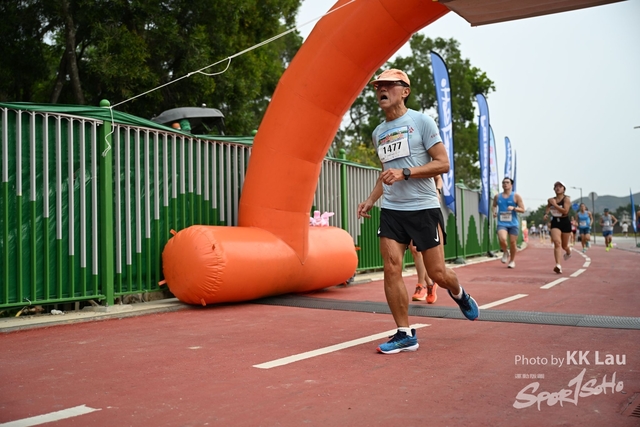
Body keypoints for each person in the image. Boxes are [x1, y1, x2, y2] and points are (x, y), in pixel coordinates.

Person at [356, 68, 479, 354]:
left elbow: (442, 163)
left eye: (389, 85)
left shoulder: (421, 122)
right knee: (391, 268)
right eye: (378, 86)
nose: (382, 90)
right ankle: (404, 333)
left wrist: (406, 172)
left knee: (438, 273)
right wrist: (371, 199)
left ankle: (459, 293)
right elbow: (386, 172)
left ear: (405, 91)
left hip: (423, 208)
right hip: (392, 210)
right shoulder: (378, 132)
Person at [410, 175, 443, 304]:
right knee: (414, 250)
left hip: (426, 208)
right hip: (407, 208)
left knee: (422, 251)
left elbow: (438, 178)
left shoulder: (424, 163)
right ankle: (428, 284)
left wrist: (437, 190)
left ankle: (422, 285)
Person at [492, 177, 525, 268]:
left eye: (507, 182)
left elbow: (523, 209)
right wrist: (494, 212)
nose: (505, 184)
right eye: (503, 183)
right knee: (502, 239)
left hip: (513, 223)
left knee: (513, 243)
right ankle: (505, 252)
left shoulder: (516, 196)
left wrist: (514, 208)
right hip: (502, 223)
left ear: (511, 185)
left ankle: (512, 260)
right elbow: (494, 205)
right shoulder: (497, 196)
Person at [543, 181, 572, 274]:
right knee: (557, 242)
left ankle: (568, 251)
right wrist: (546, 214)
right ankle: (558, 265)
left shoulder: (566, 199)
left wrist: (555, 205)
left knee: (564, 246)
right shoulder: (550, 200)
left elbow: (565, 211)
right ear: (554, 189)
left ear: (564, 189)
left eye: (560, 186)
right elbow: (548, 207)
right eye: (556, 186)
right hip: (555, 222)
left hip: (565, 222)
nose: (558, 188)